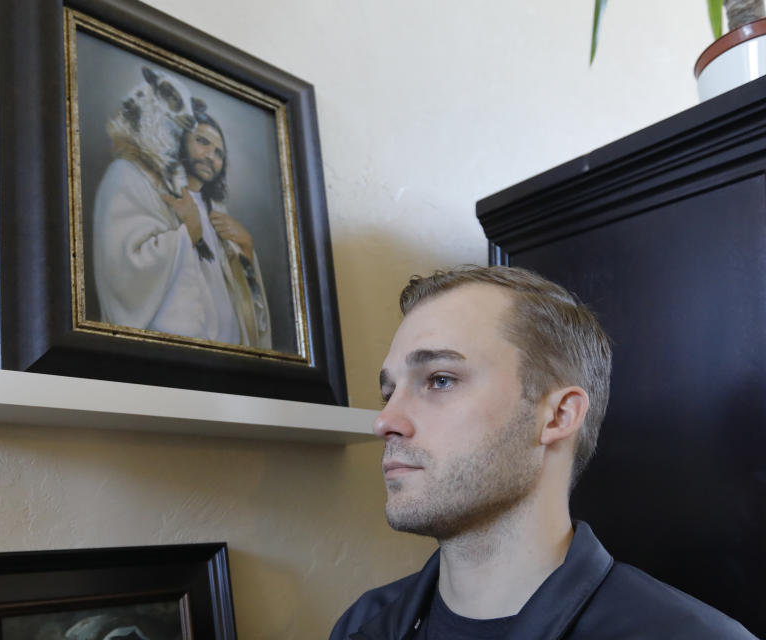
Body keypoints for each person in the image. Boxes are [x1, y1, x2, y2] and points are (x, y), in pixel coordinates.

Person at [330, 265, 755, 640]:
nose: (384, 421)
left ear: (557, 416)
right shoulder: (363, 624)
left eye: (440, 380)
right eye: (388, 391)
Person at [92, 94, 271, 348]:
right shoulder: (134, 179)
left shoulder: (218, 211)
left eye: (219, 153)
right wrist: (190, 233)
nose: (211, 156)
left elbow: (246, 306)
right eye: (202, 142)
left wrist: (246, 248)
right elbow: (123, 267)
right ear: (180, 138)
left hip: (225, 361)